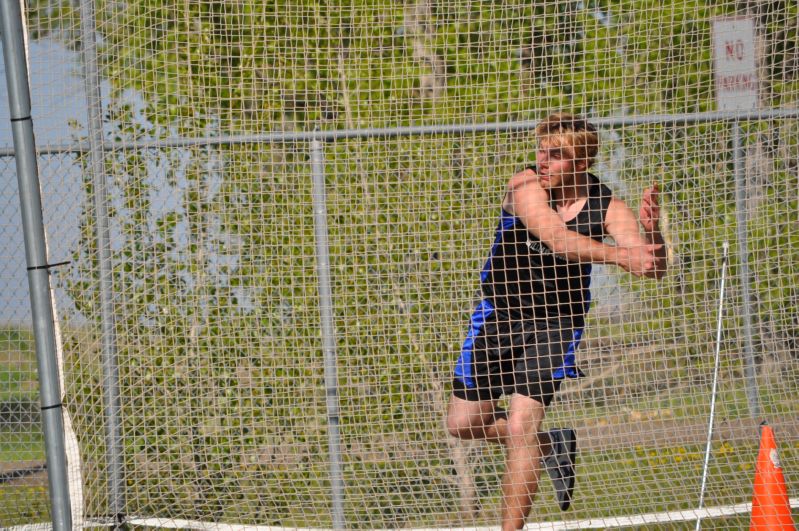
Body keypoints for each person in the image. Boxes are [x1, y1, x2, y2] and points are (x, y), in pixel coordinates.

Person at [446, 112, 667, 530]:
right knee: (462, 424)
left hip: (556, 323)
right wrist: (621, 255)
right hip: (500, 315)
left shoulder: (609, 207)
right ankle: (551, 445)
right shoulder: (524, 185)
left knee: (521, 425)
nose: (543, 161)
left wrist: (651, 235)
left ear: (582, 163)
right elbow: (556, 238)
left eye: (556, 155)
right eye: (541, 151)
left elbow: (651, 268)